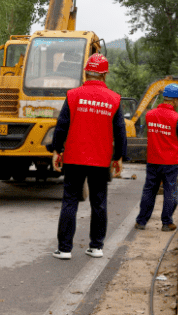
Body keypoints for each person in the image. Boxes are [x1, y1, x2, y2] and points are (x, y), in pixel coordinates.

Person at [47, 53, 126, 260]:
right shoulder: (114, 99)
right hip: (100, 160)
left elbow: (62, 126)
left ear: (86, 73)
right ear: (104, 75)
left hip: (74, 158)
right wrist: (118, 157)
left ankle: (64, 249)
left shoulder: (73, 95)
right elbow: (120, 132)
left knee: (70, 201)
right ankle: (96, 246)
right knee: (99, 202)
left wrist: (57, 150)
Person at [134, 83, 178, 232]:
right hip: (170, 162)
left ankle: (141, 221)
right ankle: (167, 222)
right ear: (175, 100)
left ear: (164, 97)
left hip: (153, 159)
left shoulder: (149, 115)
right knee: (170, 191)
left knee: (149, 190)